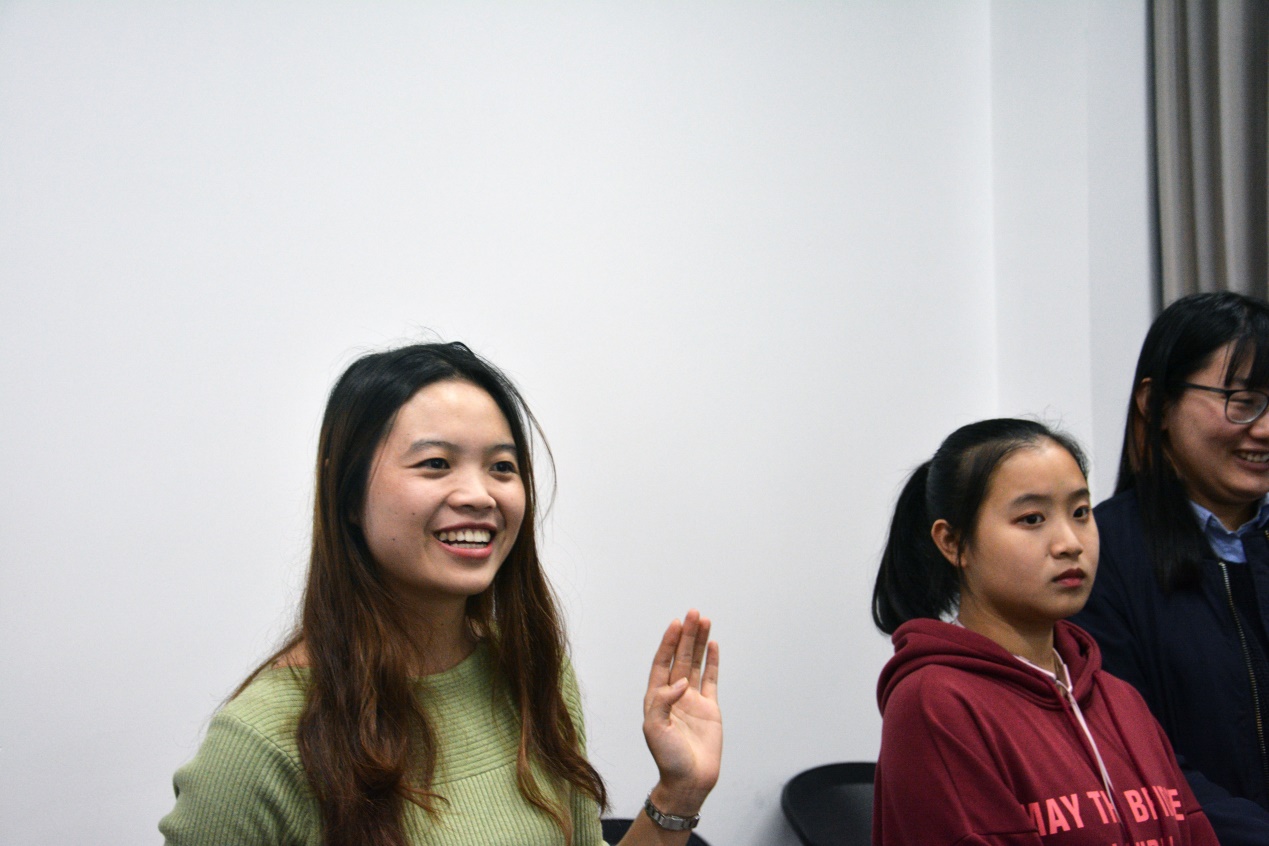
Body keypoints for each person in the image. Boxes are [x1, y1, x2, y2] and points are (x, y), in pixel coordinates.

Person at [159, 342, 722, 846]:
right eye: (436, 463)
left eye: (502, 467)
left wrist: (679, 792)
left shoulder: (528, 669)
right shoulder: (261, 742)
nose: (479, 495)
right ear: (349, 495)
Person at [871, 418, 1218, 846]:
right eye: (1032, 518)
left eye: (1081, 512)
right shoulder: (936, 703)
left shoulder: (1121, 700)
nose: (1070, 543)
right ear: (952, 542)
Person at [1072, 291, 1269, 845]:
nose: (1265, 429)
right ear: (1156, 404)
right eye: (1244, 401)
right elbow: (1131, 755)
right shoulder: (1097, 556)